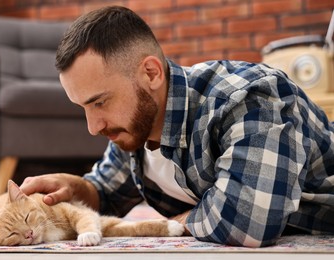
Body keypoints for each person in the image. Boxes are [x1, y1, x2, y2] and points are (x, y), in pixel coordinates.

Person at [20, 5, 334, 247]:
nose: (92, 126)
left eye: (100, 102)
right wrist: (79, 189)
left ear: (151, 74)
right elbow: (107, 194)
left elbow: (247, 223)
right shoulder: (133, 126)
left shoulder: (245, 99)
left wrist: (178, 223)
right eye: (84, 107)